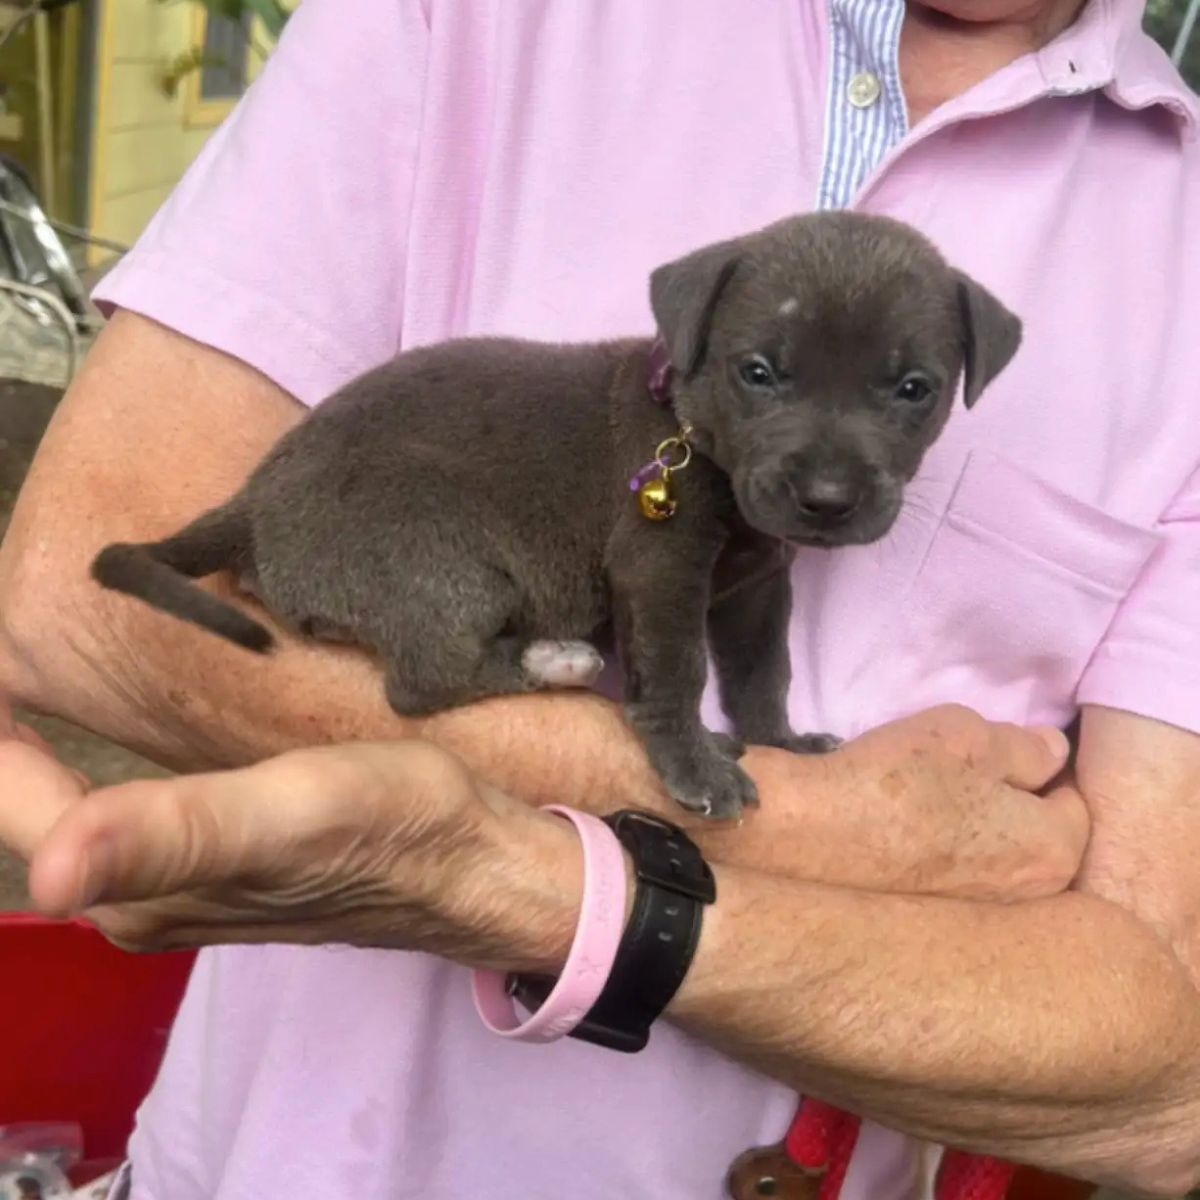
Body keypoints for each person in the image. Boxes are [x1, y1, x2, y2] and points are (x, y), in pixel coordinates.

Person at [0, 0, 1197, 1197]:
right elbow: (78, 603)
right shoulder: (465, 18)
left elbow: (1167, 1074)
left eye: (911, 395)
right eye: (765, 377)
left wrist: (540, 858)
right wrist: (781, 832)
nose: (834, 472)